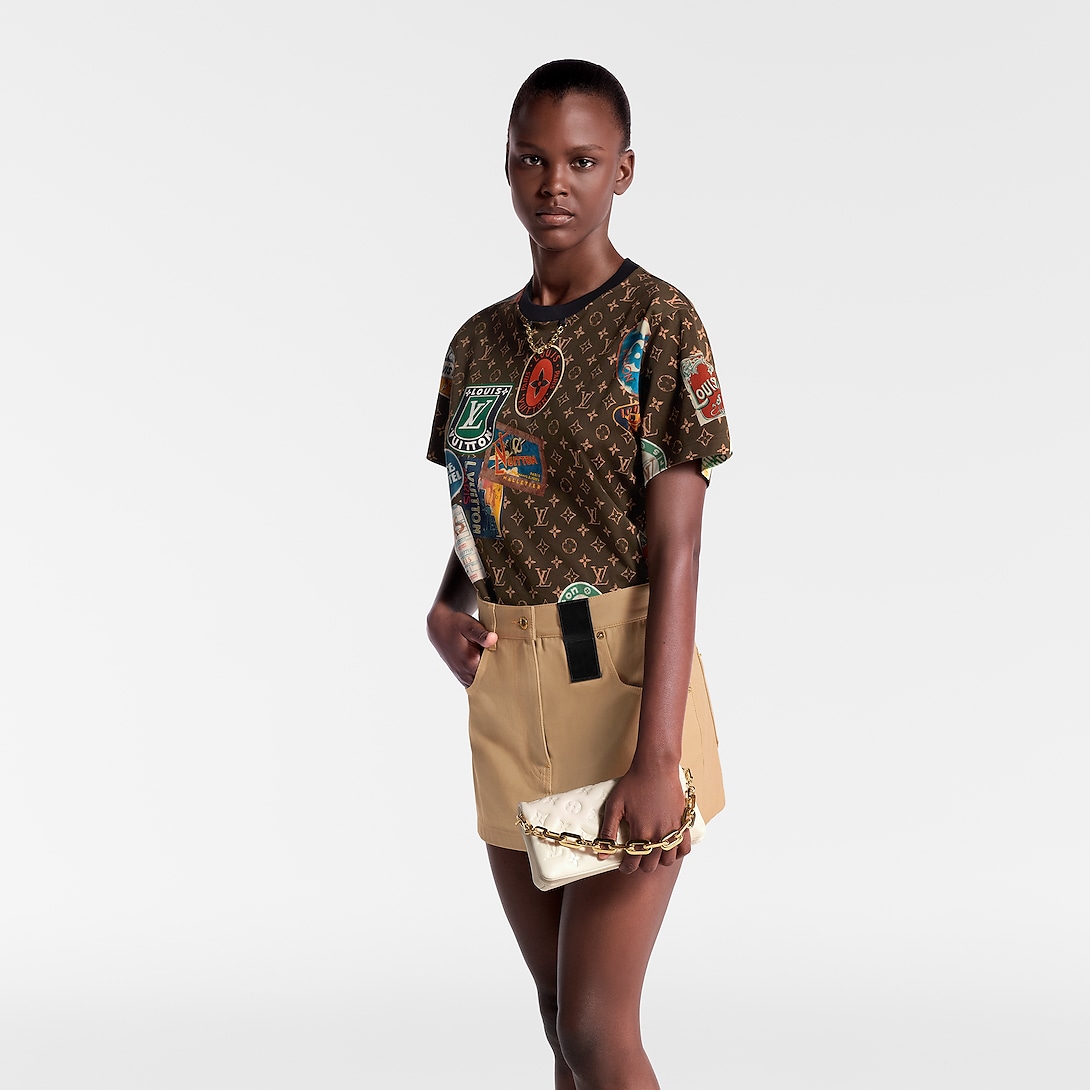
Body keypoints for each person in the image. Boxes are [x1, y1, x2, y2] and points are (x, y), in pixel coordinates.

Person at [426, 58, 731, 1090]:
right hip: (510, 688)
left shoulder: (659, 323)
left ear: (623, 171)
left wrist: (657, 758)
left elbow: (679, 547)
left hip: (624, 689)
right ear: (508, 167)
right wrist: (448, 600)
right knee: (561, 1018)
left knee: (599, 1027)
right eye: (533, 158)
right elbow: (489, 499)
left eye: (582, 160)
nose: (554, 181)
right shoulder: (476, 345)